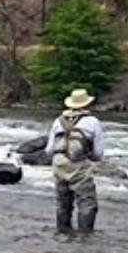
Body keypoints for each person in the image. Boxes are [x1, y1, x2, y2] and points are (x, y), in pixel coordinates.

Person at [45, 87, 105, 234]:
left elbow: (49, 150)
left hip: (59, 164)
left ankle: (63, 233)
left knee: (63, 203)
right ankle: (85, 236)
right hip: (78, 165)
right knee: (87, 203)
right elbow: (98, 153)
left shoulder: (58, 121)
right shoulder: (93, 122)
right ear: (87, 105)